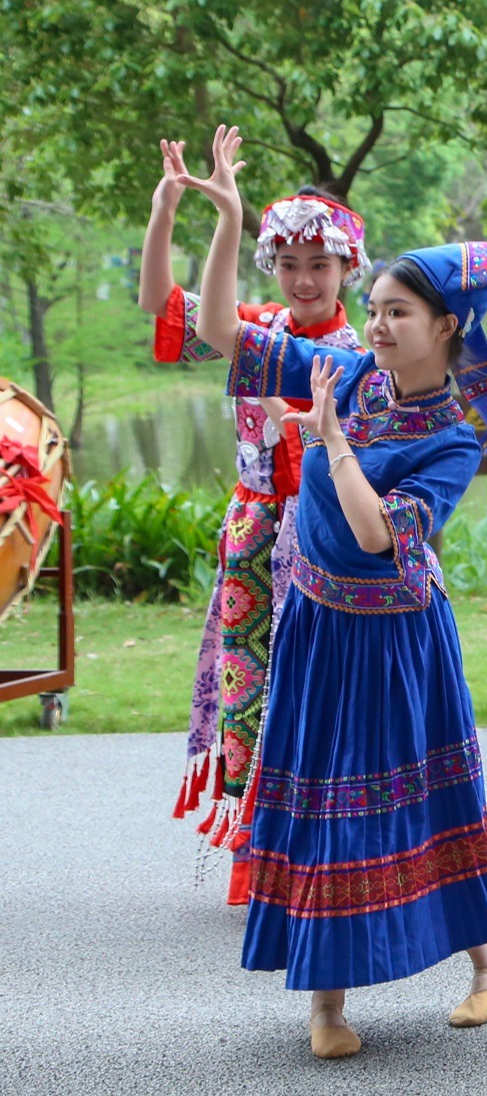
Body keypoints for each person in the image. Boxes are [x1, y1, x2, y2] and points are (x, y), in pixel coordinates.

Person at [175, 126, 487, 1059]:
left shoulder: (457, 434)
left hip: (398, 638)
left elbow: (382, 534)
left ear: (446, 325)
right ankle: (338, 1001)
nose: (375, 326)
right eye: (372, 308)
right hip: (316, 622)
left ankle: (476, 960)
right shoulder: (347, 370)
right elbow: (220, 331)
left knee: (410, 803)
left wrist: (332, 442)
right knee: (322, 797)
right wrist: (225, 219)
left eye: (396, 313)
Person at [143, 131, 366, 901]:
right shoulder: (255, 325)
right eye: (292, 264)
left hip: (321, 535)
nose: (305, 279)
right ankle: (255, 855)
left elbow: (320, 434)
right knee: (246, 686)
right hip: (252, 528)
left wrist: (278, 394)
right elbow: (166, 309)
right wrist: (171, 211)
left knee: (314, 687)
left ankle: (317, 848)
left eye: (321, 264)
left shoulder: (356, 351)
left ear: (348, 270)